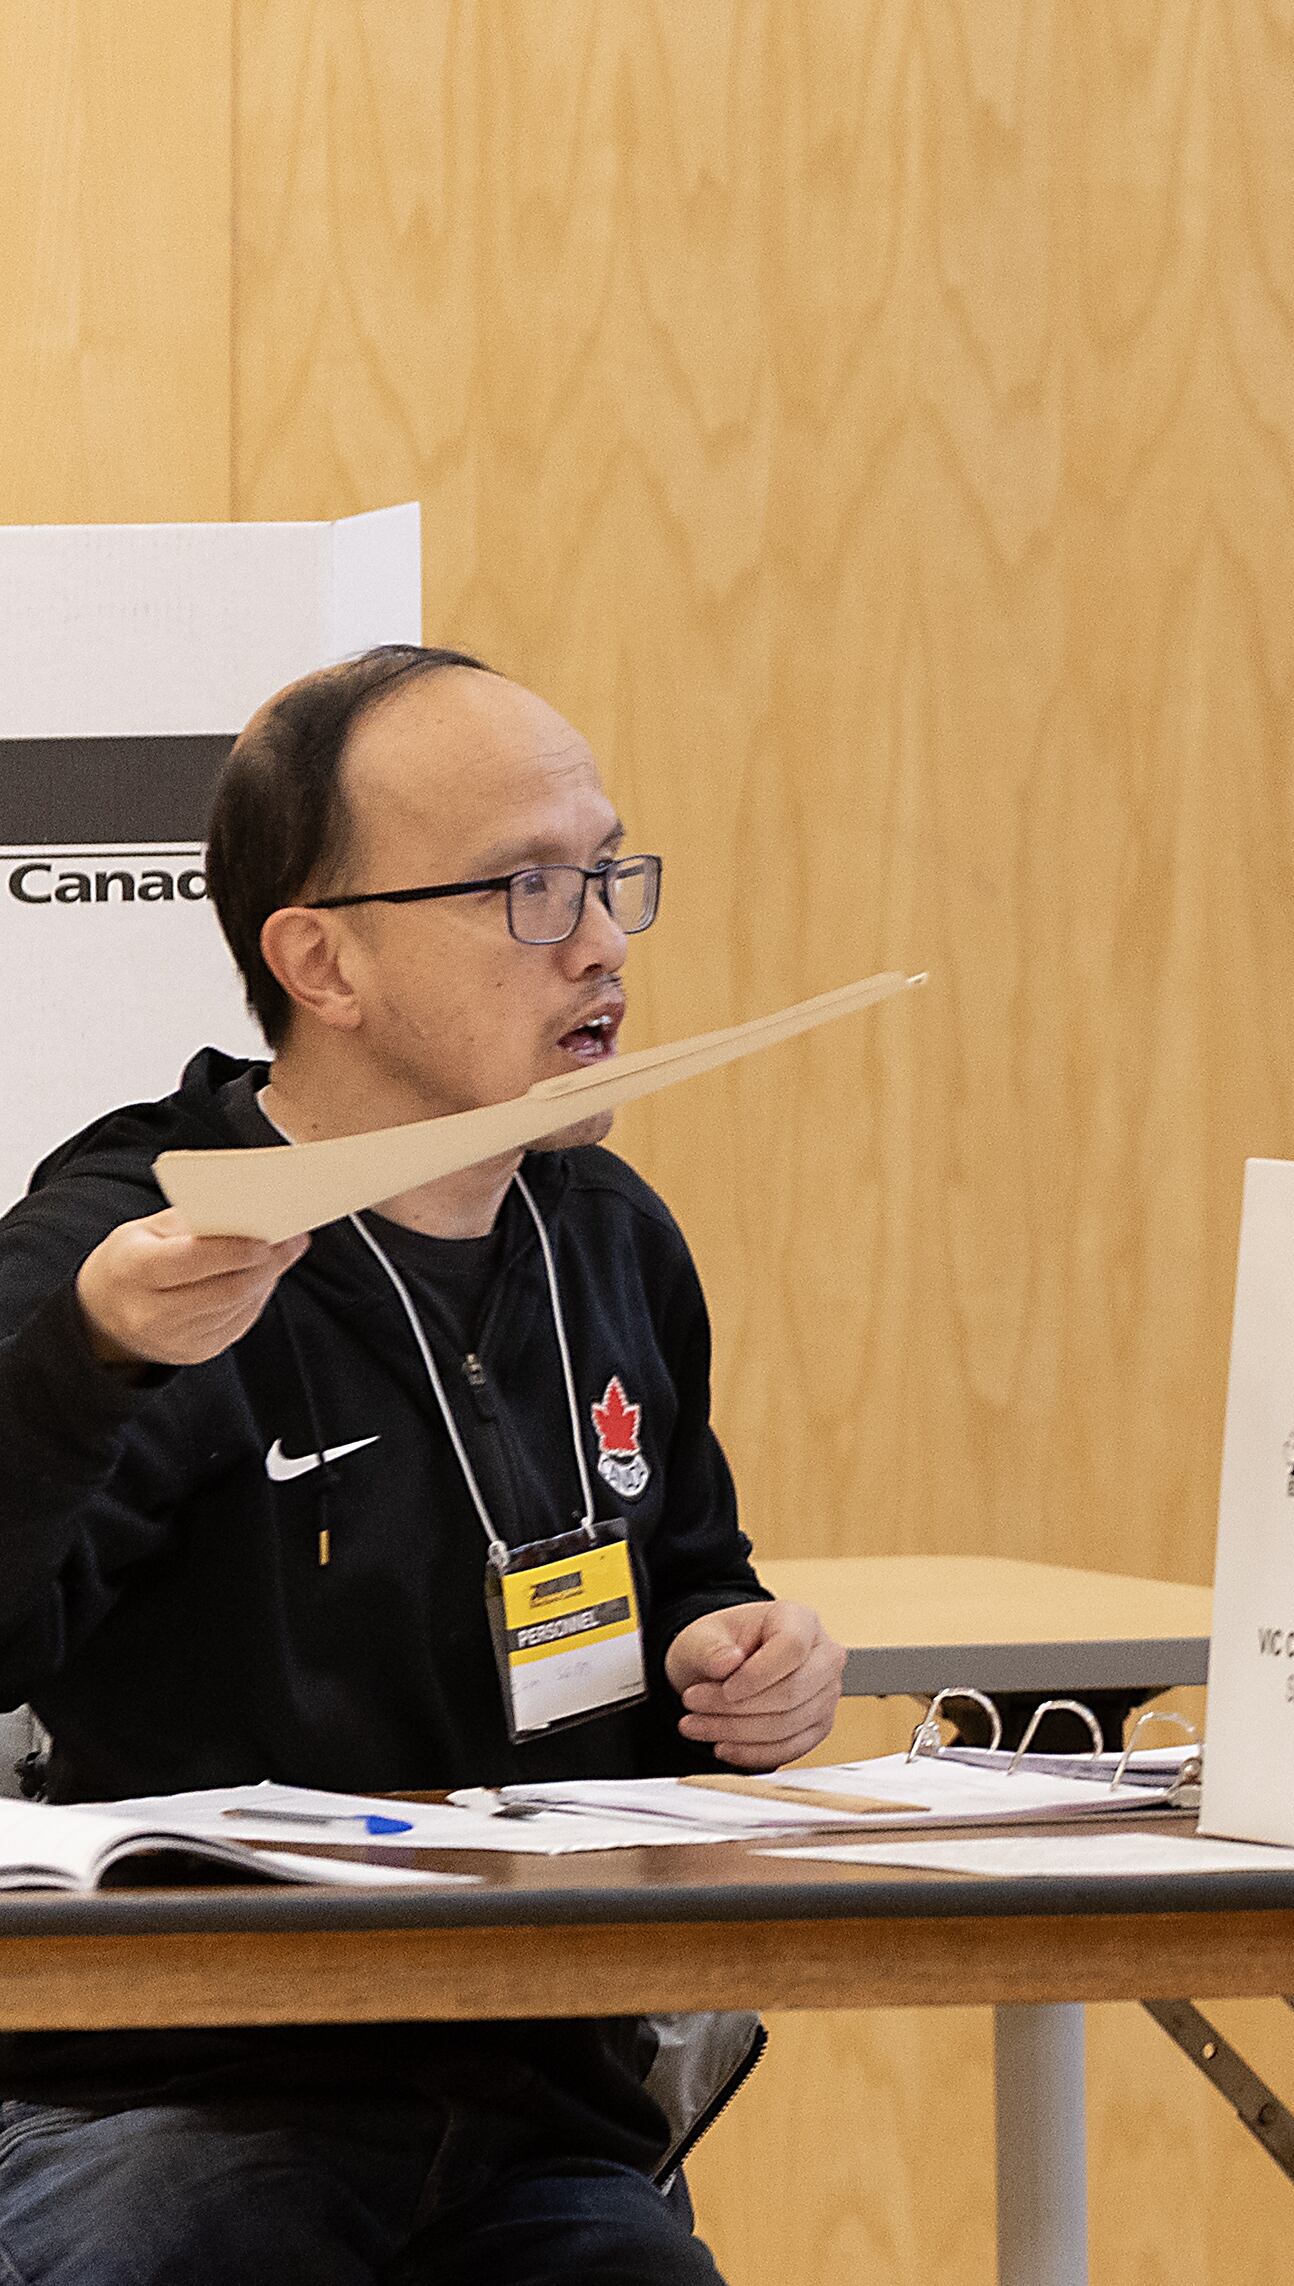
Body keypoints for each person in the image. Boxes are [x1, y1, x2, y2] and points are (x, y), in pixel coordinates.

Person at [0, 644, 845, 2284]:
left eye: (606, 872)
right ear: (323, 959)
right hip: (173, 2100)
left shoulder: (604, 1234)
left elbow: (684, 1582)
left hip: (533, 2107)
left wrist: (749, 1661)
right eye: (526, 888)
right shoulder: (140, 1235)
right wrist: (85, 1365)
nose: (599, 941)